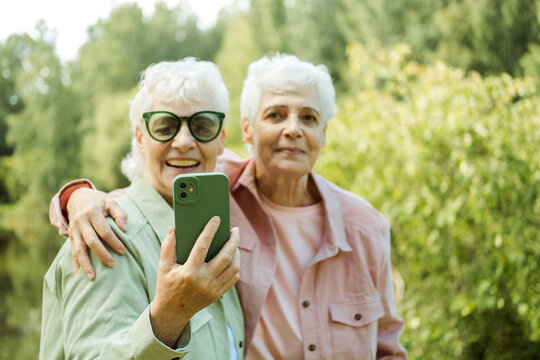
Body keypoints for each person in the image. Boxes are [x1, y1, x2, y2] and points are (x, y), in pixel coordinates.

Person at [50, 54, 407, 359]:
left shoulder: (365, 225)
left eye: (309, 118)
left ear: (221, 139)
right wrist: (77, 196)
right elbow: (137, 196)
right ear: (247, 131)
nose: (293, 130)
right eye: (276, 115)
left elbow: (388, 348)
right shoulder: (199, 205)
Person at [40, 59, 244, 359]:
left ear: (221, 139)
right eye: (165, 126)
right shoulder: (105, 233)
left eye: (203, 126)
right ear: (140, 138)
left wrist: (72, 193)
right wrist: (169, 317)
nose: (184, 141)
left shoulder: (219, 236)